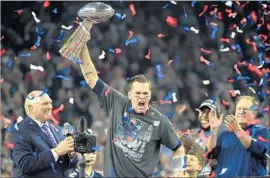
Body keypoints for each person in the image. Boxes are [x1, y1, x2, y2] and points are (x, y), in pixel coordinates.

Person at [78, 35, 185, 177]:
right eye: (138, 93)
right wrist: (82, 48)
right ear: (129, 94)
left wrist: (178, 170)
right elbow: (92, 79)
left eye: (145, 94)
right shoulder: (117, 102)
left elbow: (178, 148)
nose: (142, 97)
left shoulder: (160, 121)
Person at [8, 90, 78, 177]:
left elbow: (67, 167)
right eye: (45, 104)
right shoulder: (19, 131)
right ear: (31, 108)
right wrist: (56, 152)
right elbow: (24, 164)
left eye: (50, 103)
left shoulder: (58, 129)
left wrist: (72, 156)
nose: (50, 107)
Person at [207, 95, 270, 177]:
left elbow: (258, 150)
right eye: (239, 109)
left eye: (245, 109)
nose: (241, 112)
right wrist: (214, 131)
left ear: (254, 113)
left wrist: (237, 129)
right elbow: (210, 154)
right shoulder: (225, 135)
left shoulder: (262, 132)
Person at [179, 99, 221, 177]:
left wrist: (193, 145)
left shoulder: (222, 134)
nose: (203, 115)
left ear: (217, 116)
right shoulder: (192, 133)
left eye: (208, 112)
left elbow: (216, 160)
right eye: (201, 112)